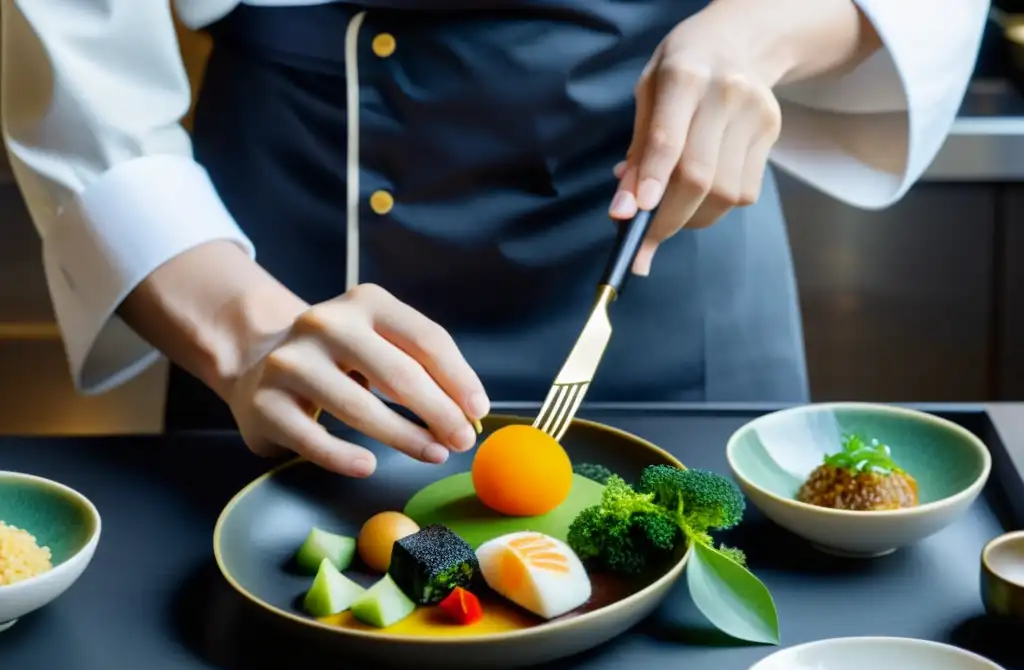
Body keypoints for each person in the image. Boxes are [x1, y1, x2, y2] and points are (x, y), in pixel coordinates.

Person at [3, 0, 987, 478]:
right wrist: (244, 330)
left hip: (676, 243)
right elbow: (77, 60)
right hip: (286, 274)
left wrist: (760, 34)